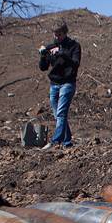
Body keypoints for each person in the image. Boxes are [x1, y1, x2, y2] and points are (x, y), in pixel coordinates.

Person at [38, 20, 81, 149]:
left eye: (59, 34)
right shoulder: (51, 47)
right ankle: (67, 142)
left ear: (65, 33)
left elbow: (76, 63)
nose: (57, 37)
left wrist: (63, 54)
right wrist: (43, 56)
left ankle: (55, 141)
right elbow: (43, 67)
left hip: (68, 83)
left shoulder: (74, 46)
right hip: (54, 84)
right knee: (58, 115)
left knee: (61, 113)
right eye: (55, 35)